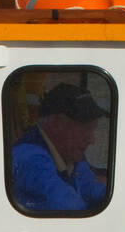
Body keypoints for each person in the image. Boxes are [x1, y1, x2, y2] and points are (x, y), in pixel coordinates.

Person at [11, 83, 107, 213]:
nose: (92, 140)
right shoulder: (29, 159)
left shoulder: (70, 153)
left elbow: (91, 189)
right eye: (85, 130)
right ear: (56, 124)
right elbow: (70, 208)